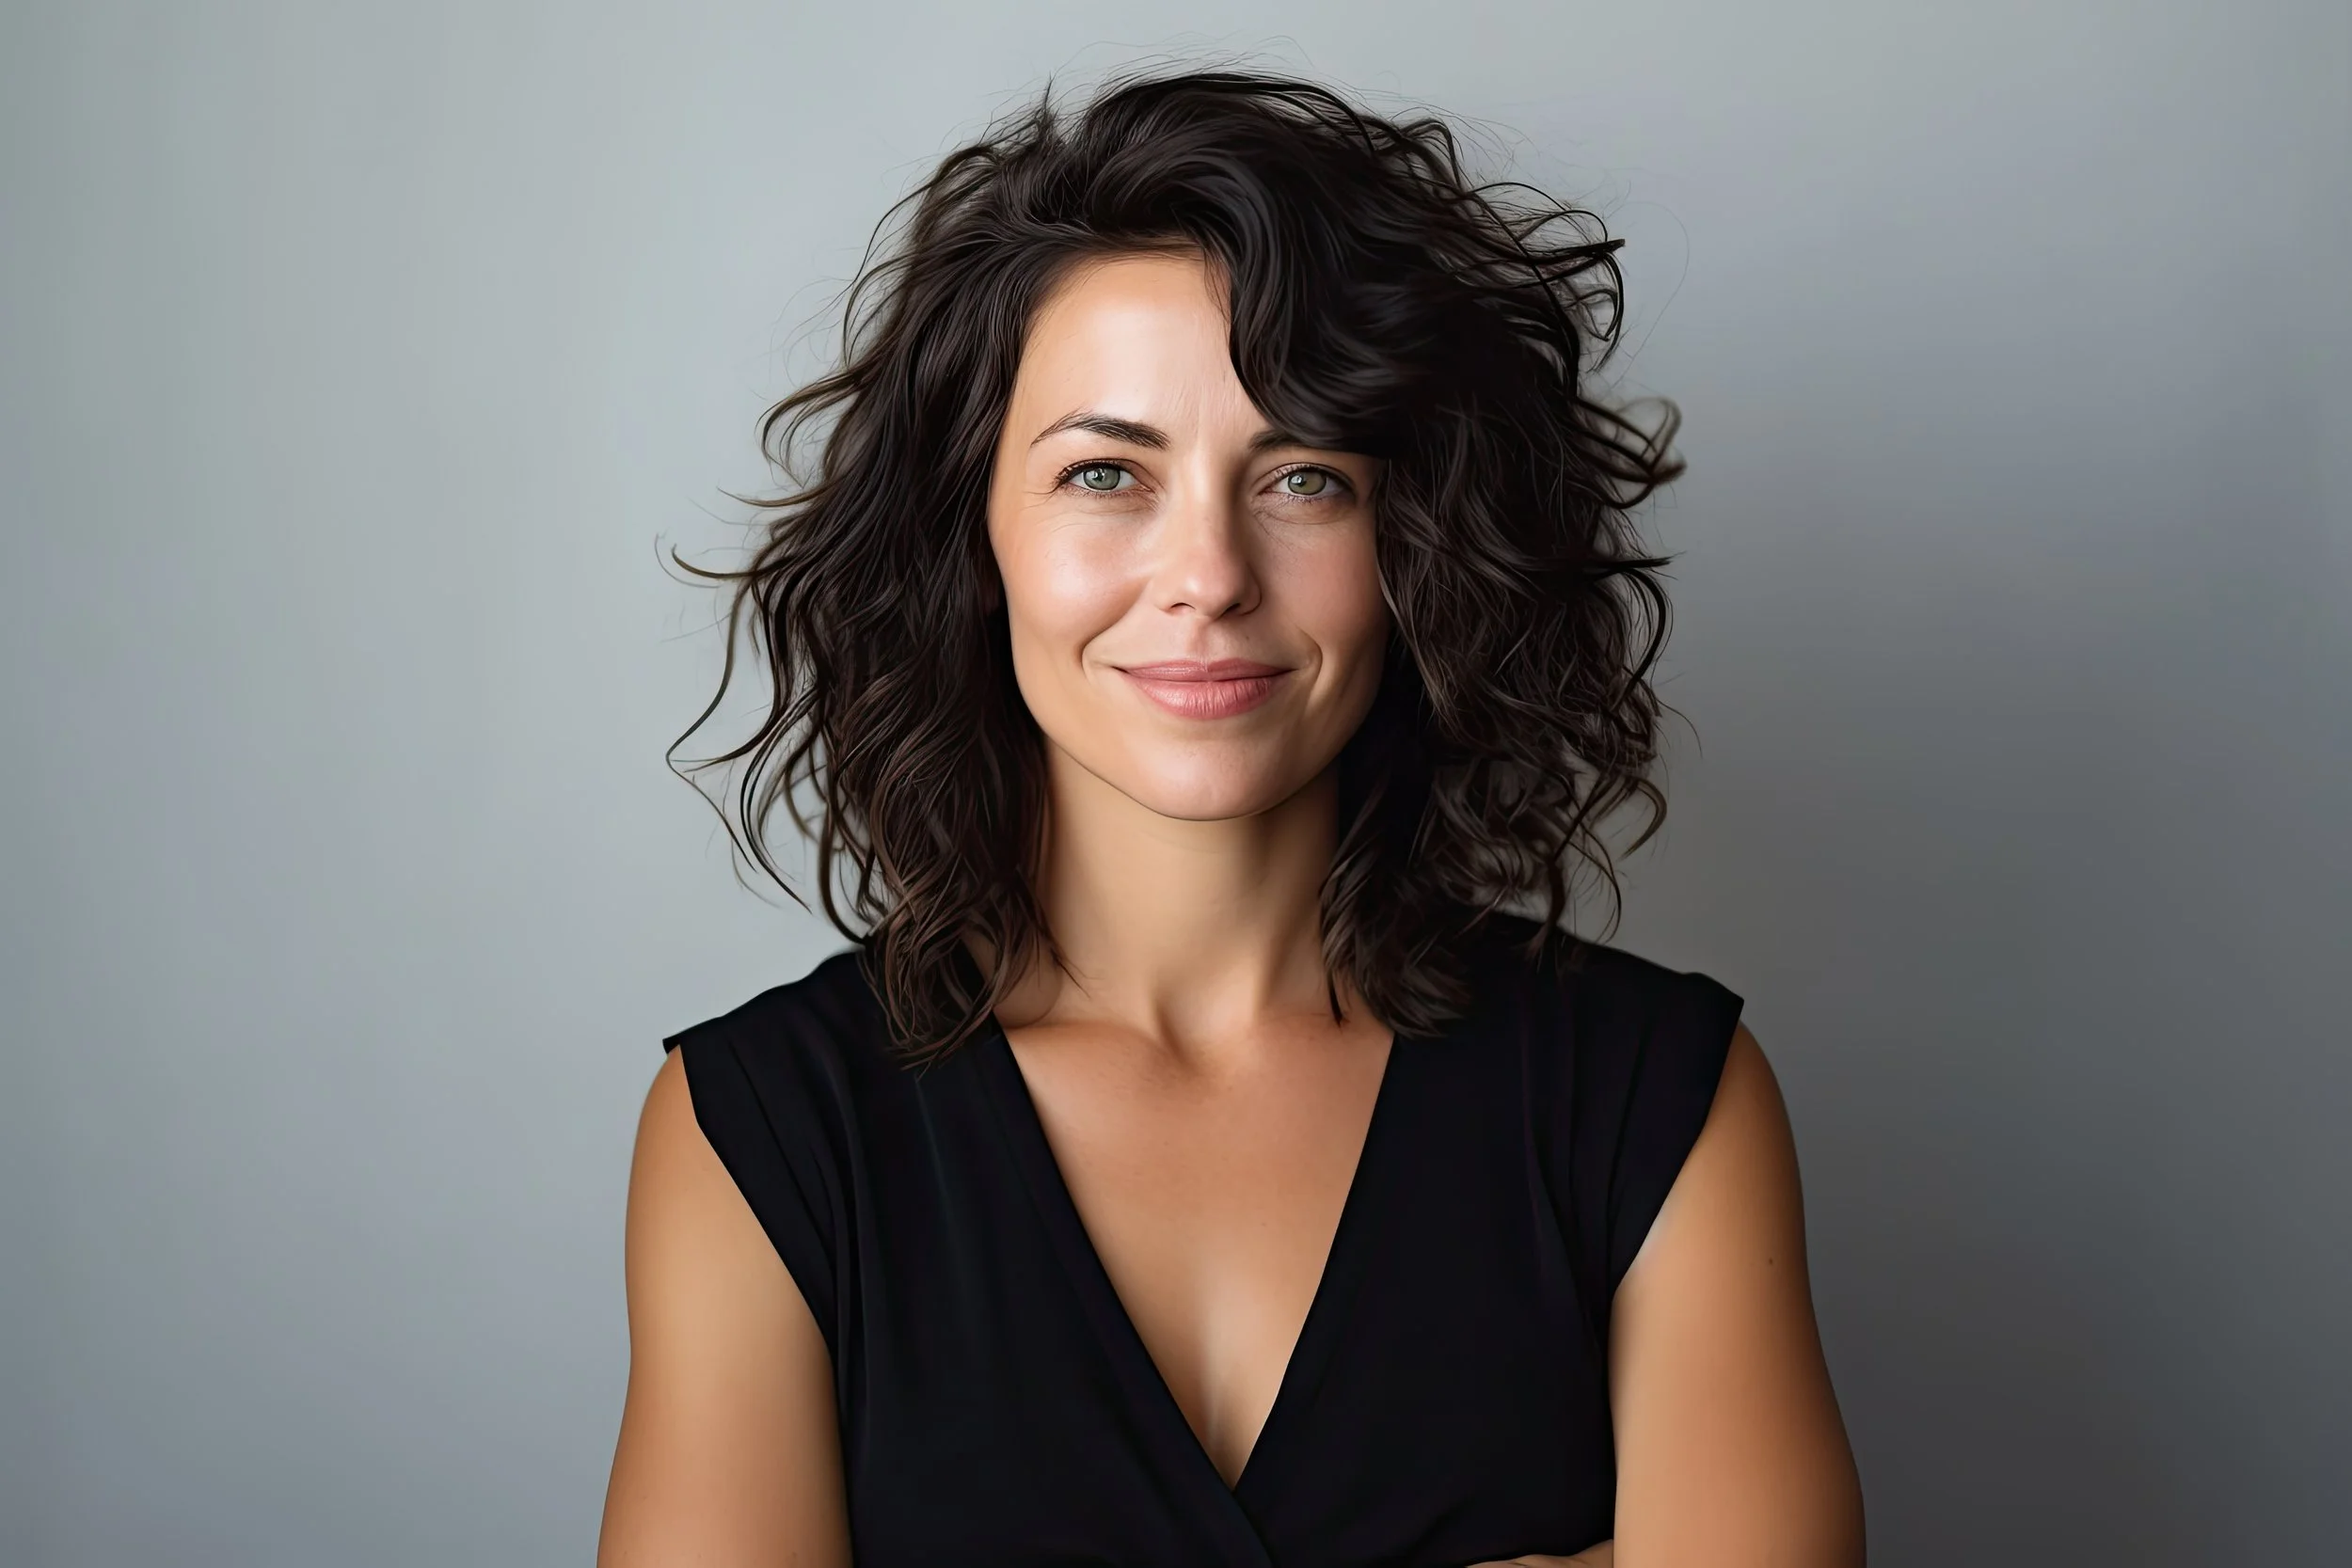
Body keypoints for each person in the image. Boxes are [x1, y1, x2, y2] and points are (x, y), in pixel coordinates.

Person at [598, 66, 1865, 1568]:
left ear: (1418, 539)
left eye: (1305, 476)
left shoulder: (1663, 1101)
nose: (1206, 571)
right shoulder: (758, 1135)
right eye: (1105, 473)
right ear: (974, 532)